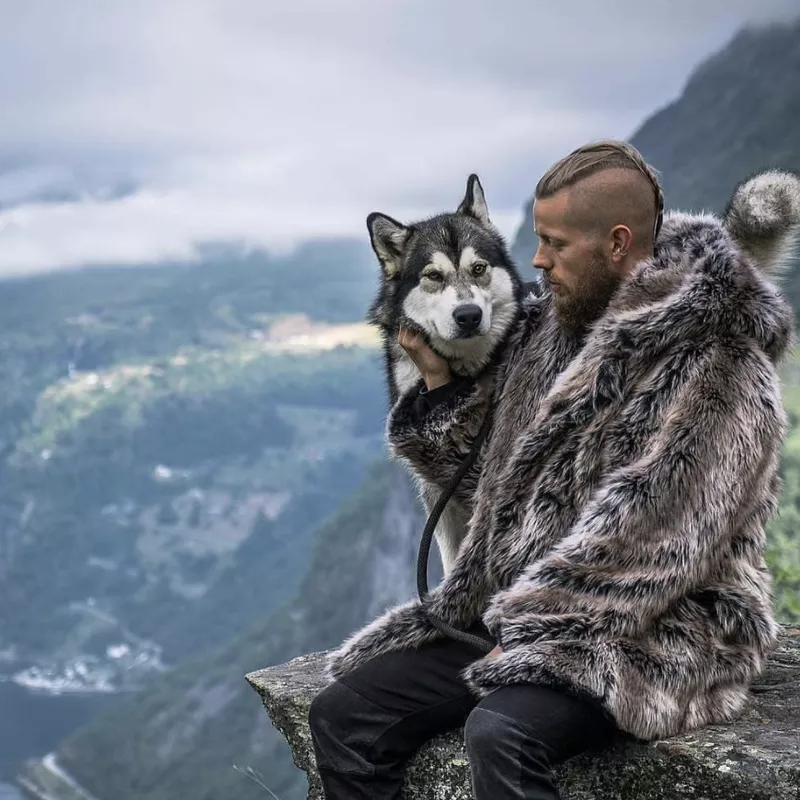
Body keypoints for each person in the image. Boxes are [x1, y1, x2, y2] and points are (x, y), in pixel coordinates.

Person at [308, 140, 797, 800]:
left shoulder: (719, 364)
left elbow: (659, 546)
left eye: (553, 243)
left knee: (501, 733)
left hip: (656, 632)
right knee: (344, 717)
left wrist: (529, 635)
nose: (535, 259)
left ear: (618, 243)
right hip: (529, 609)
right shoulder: (553, 328)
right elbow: (488, 482)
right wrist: (438, 388)